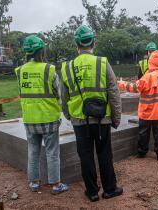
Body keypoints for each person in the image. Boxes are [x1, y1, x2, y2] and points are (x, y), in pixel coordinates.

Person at [60, 25, 122, 202]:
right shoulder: (102, 63)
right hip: (102, 120)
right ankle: (110, 189)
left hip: (80, 121)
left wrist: (68, 115)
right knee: (104, 154)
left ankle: (92, 192)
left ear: (76, 45)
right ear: (94, 42)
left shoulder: (67, 67)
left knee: (85, 156)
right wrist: (115, 118)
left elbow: (63, 98)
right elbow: (114, 92)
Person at [15, 35, 68, 194]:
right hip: (49, 118)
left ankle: (34, 183)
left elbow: (22, 93)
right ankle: (56, 185)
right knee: (52, 152)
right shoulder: (48, 69)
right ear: (41, 50)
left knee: (33, 150)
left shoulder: (20, 71)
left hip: (30, 118)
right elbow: (58, 93)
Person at [118, 50, 158, 161]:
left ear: (150, 62)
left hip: (147, 111)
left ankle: (142, 152)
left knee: (143, 133)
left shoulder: (148, 76)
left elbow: (135, 88)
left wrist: (121, 84)